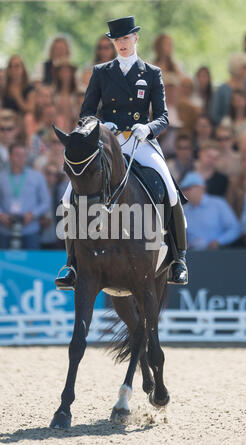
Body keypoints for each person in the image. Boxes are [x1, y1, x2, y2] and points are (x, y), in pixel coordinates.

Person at [55, 16, 188, 290]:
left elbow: (163, 116)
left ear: (135, 38)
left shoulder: (151, 73)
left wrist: (148, 128)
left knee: (170, 190)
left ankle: (179, 259)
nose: (122, 44)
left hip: (140, 141)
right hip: (108, 141)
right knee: (69, 196)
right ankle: (71, 263)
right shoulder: (102, 71)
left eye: (126, 39)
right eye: (117, 41)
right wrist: (100, 126)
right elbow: (86, 113)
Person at [0, 141, 51, 249]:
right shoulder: (0, 177)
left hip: (30, 230)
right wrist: (0, 215)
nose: (21, 158)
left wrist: (32, 214)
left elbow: (46, 202)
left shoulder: (37, 176)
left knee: (31, 264)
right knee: (4, 263)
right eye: (17, 155)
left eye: (24, 155)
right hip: (5, 230)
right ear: (10, 157)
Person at [180, 172, 240, 250]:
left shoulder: (218, 204)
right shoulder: (184, 210)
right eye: (183, 189)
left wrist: (219, 241)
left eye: (188, 188)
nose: (185, 192)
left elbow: (235, 229)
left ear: (201, 188)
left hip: (218, 255)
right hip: (192, 257)